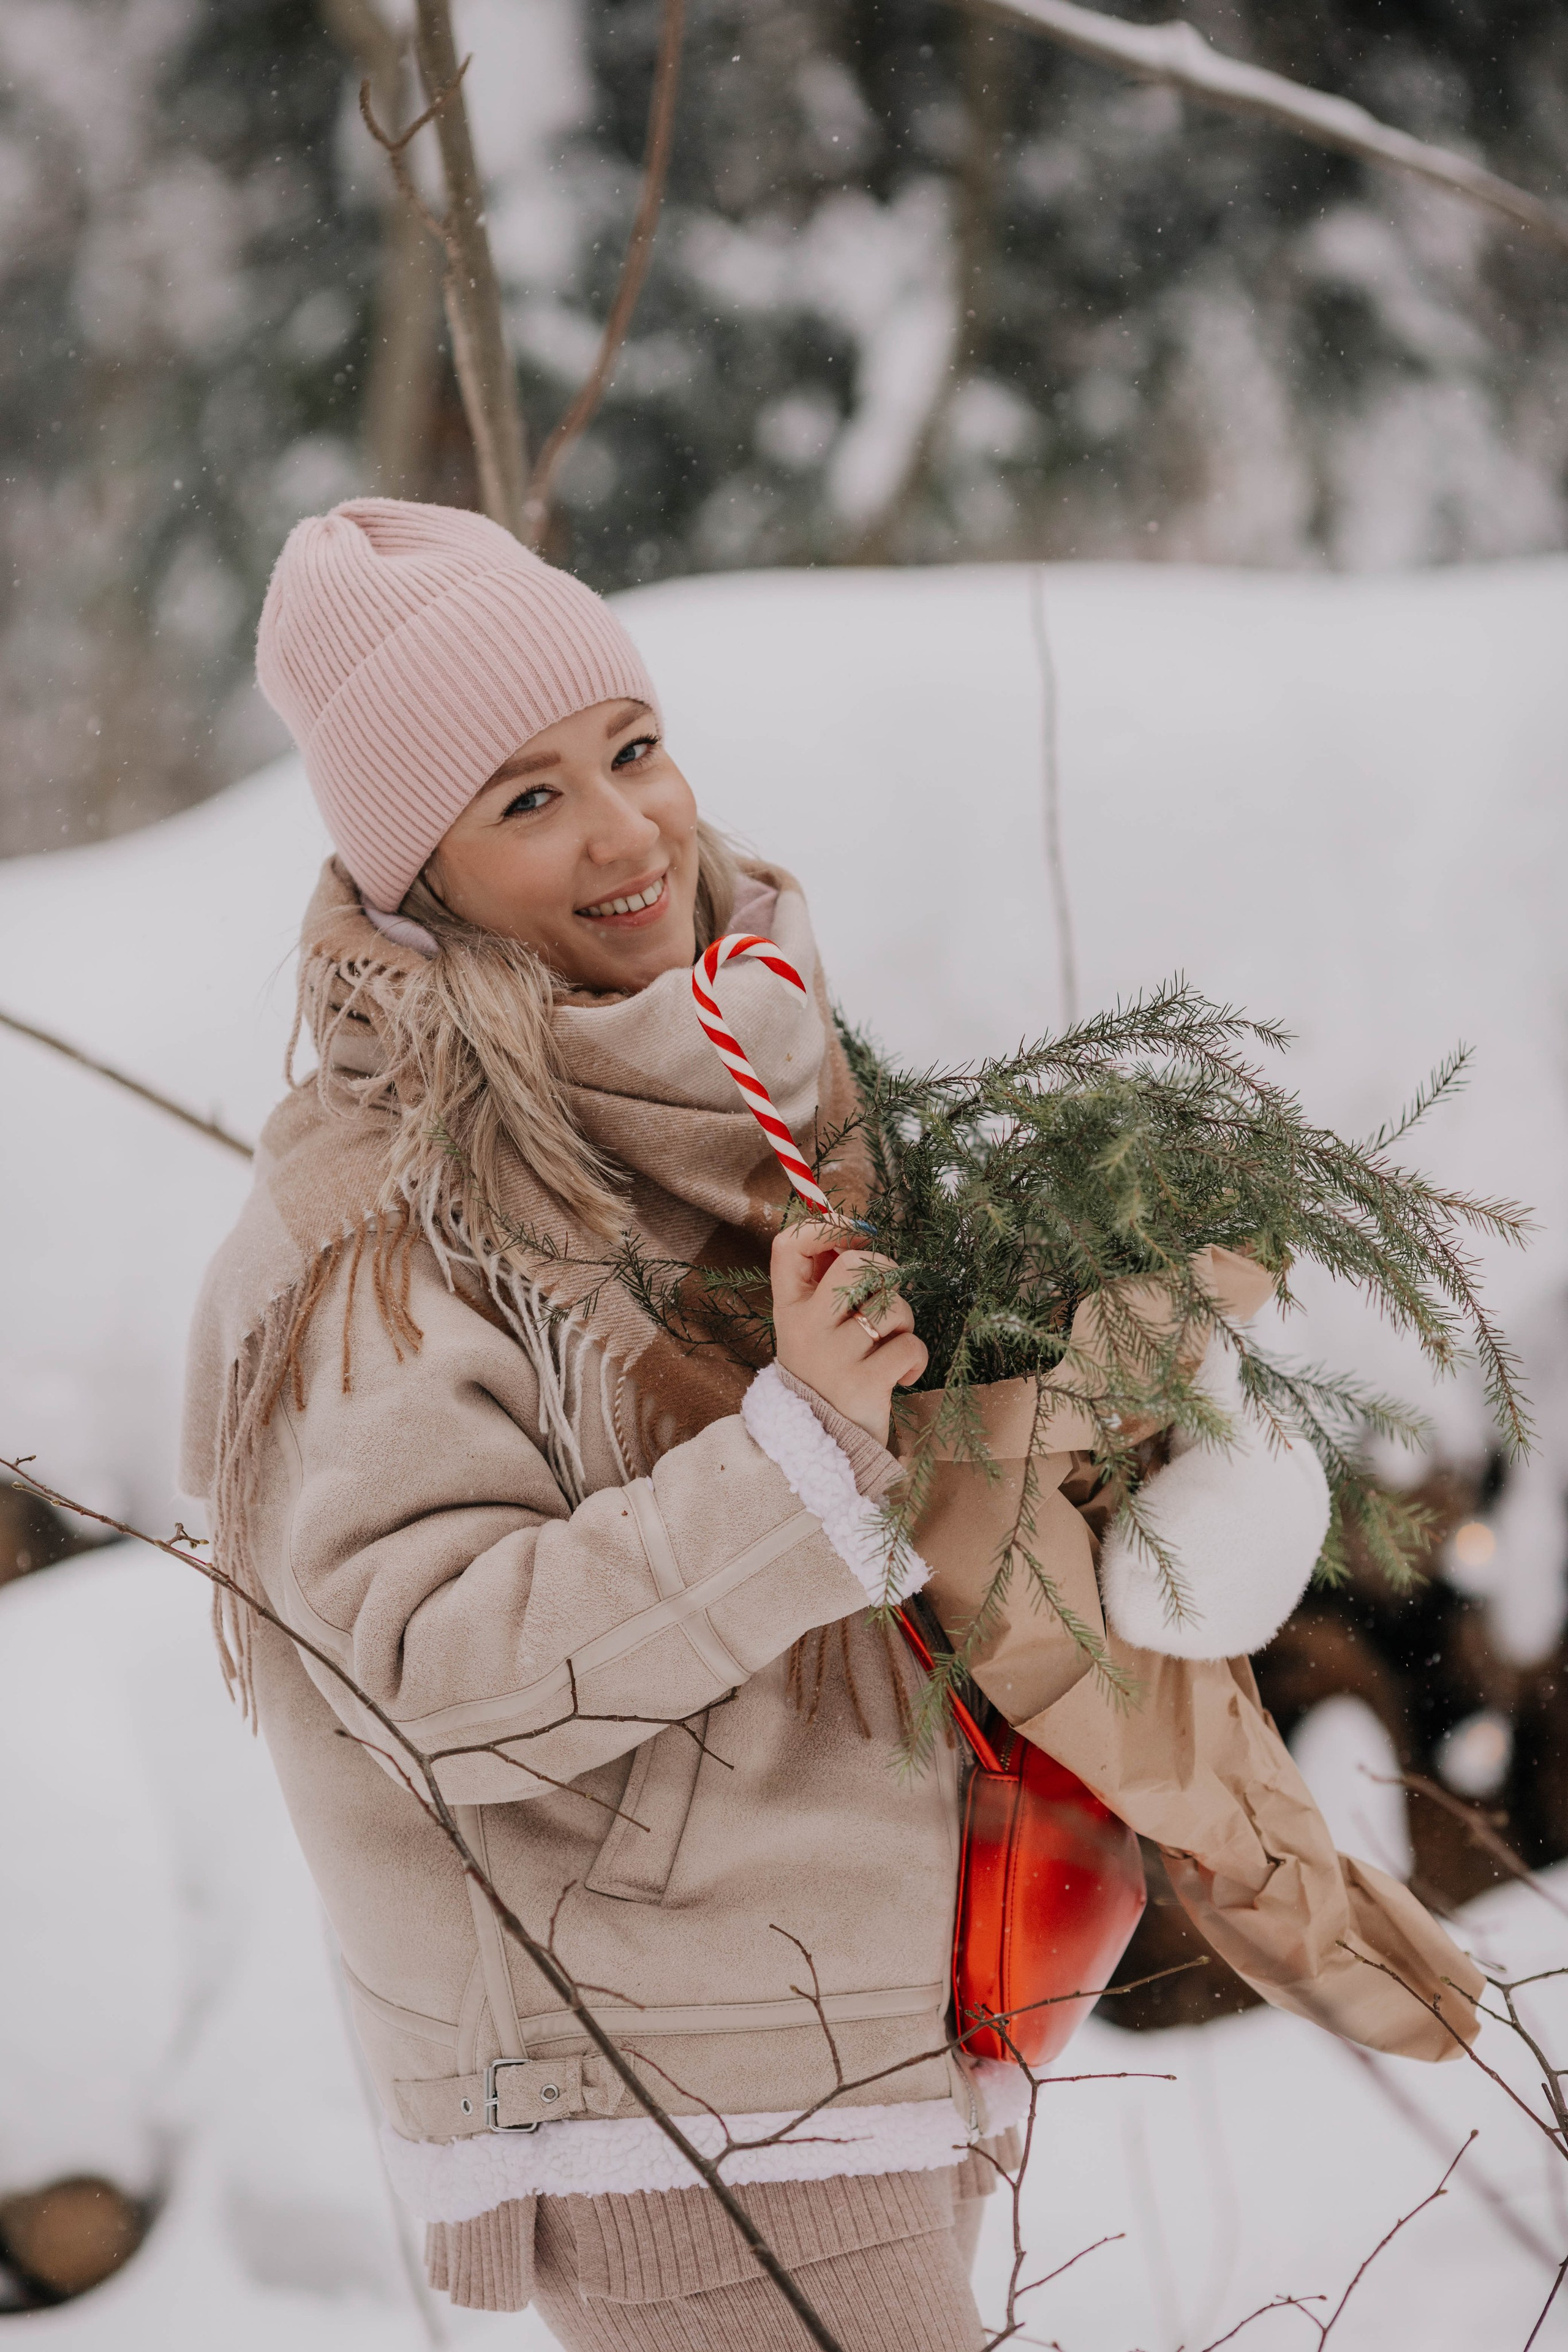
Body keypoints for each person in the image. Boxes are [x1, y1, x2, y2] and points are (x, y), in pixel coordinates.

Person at [183, 500, 1480, 2349]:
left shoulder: (742, 1086)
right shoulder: (379, 1230)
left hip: (870, 2010)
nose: (629, 830)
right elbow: (423, 1679)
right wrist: (797, 1454)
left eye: (632, 751)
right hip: (678, 2079)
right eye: (526, 799)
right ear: (418, 875)